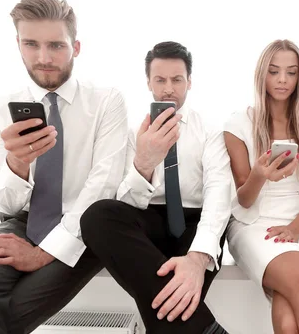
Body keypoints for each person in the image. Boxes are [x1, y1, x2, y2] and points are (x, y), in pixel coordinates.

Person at [0, 0, 129, 334]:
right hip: (25, 223)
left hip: (89, 228)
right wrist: (17, 161)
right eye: (31, 44)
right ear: (18, 45)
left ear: (75, 47)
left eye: (55, 46)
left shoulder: (107, 101)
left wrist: (42, 254)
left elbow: (103, 187)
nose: (43, 58)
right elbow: (7, 203)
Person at [80, 41, 232, 334]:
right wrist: (144, 162)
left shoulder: (210, 131)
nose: (168, 89)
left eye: (177, 79)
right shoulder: (131, 134)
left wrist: (198, 259)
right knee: (97, 216)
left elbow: (219, 194)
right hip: (148, 219)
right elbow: (125, 203)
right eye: (160, 80)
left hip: (194, 223)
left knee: (165, 301)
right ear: (148, 82)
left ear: (189, 81)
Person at [223, 40, 299, 334]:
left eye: (291, 72)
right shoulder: (238, 125)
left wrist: (295, 228)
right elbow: (243, 200)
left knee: (289, 324)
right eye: (274, 72)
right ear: (262, 75)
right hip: (252, 225)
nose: (282, 80)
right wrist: (260, 174)